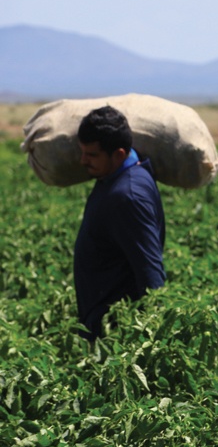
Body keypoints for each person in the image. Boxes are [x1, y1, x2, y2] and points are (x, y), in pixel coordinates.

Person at [74, 105, 166, 340]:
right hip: (103, 321)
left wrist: (155, 339)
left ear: (119, 154)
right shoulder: (116, 176)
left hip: (115, 333)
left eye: (92, 155)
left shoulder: (128, 196)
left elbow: (150, 270)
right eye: (82, 152)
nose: (83, 161)